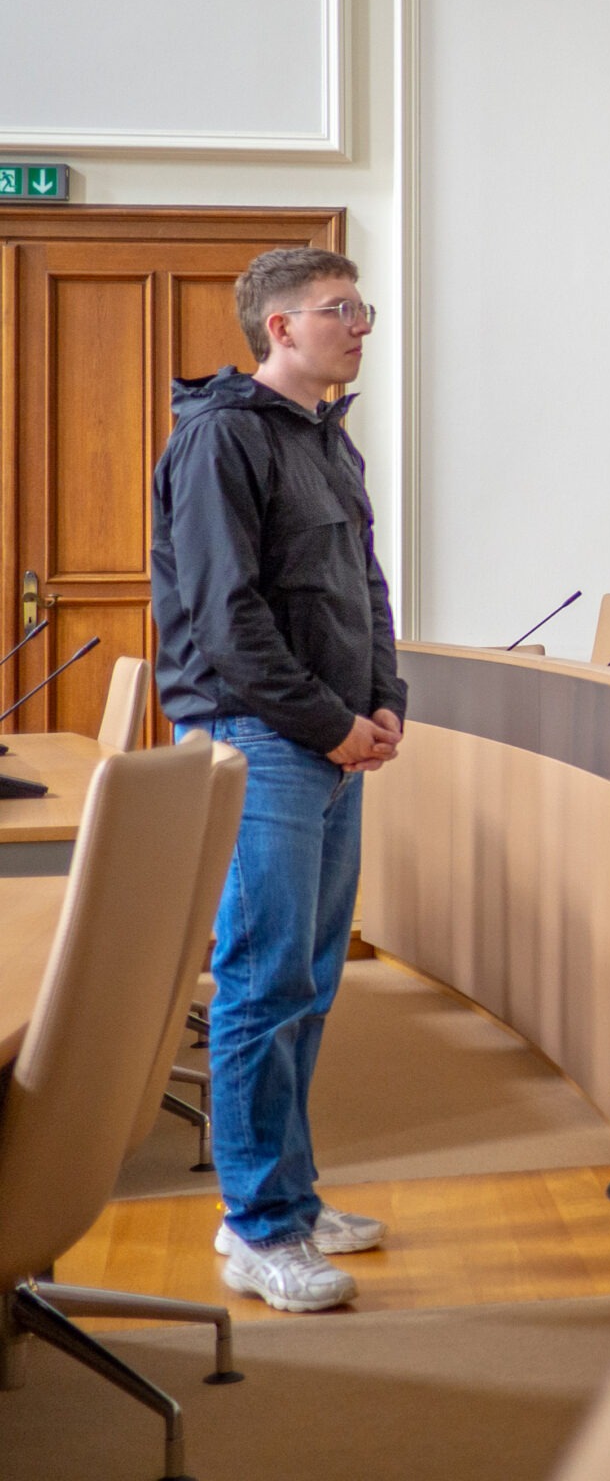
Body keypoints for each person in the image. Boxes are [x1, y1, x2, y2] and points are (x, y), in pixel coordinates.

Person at [151, 249, 404, 1313]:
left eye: (363, 307)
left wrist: (386, 702)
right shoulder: (220, 439)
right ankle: (257, 1228)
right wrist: (332, 724)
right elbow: (228, 620)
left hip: (329, 742)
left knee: (308, 981)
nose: (361, 325)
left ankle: (286, 1200)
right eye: (339, 310)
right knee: (260, 984)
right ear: (280, 329)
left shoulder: (326, 444)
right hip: (262, 740)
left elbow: (366, 586)